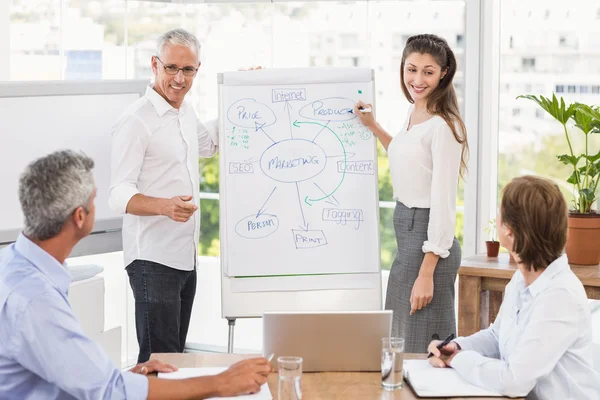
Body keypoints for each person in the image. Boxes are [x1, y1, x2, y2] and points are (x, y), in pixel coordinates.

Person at [0, 150, 272, 399]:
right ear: (80, 217)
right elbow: (109, 393)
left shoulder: (15, 265)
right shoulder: (35, 301)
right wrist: (221, 383)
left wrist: (120, 378)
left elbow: (63, 372)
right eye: (95, 200)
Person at [427, 176, 600, 399]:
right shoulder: (522, 278)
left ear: (509, 230)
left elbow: (514, 381)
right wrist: (456, 347)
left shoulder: (560, 295)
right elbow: (496, 337)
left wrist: (457, 360)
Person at [109, 28, 218, 363]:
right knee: (160, 363)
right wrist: (165, 207)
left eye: (188, 70)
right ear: (154, 64)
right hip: (152, 260)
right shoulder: (136, 120)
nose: (179, 78)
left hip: (185, 257)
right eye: (171, 68)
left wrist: (243, 96)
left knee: (175, 361)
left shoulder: (185, 112)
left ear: (197, 70)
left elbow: (209, 145)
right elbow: (118, 194)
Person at [354, 34, 468, 353]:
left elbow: (444, 205)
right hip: (408, 240)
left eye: (428, 72)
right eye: (411, 69)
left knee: (421, 351)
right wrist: (374, 126)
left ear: (444, 73)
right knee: (399, 345)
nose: (417, 80)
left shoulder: (445, 127)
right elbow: (407, 159)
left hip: (429, 246)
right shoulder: (416, 112)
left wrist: (426, 273)